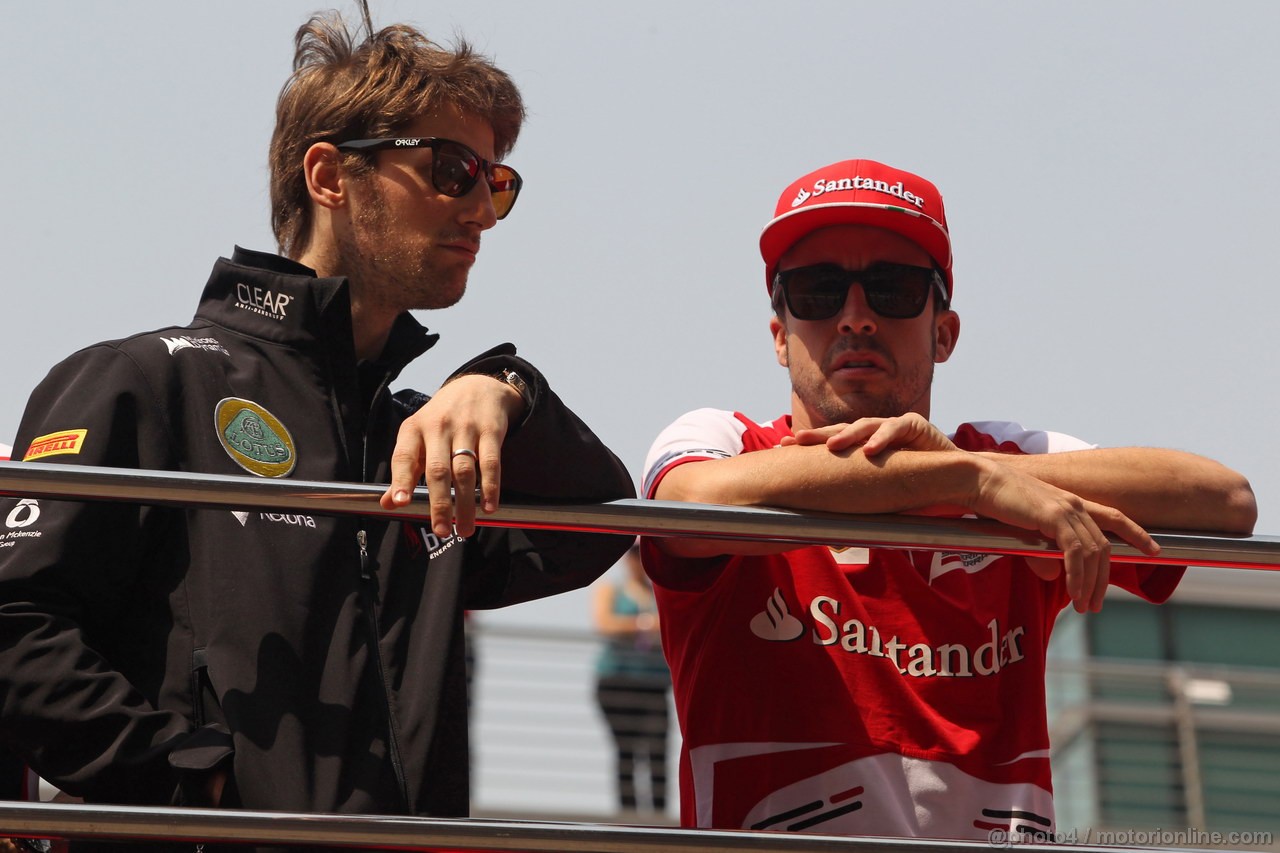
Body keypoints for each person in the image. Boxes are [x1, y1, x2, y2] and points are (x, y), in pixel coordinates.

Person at [0, 3, 634, 843]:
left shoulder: (426, 443)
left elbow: (598, 524)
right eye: (452, 169)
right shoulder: (145, 380)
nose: (481, 209)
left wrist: (507, 384)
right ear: (331, 176)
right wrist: (193, 785)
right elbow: (14, 625)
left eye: (496, 180)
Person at [639, 158, 1256, 839]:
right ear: (780, 337)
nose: (856, 317)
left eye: (892, 288)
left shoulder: (1000, 459)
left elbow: (1224, 499)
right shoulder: (724, 438)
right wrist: (966, 484)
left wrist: (967, 469)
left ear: (945, 332)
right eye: (816, 291)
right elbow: (686, 502)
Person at [591, 543, 670, 816]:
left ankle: (659, 820)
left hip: (655, 683)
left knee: (657, 751)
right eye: (633, 555)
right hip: (618, 680)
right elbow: (604, 622)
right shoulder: (612, 589)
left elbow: (673, 627)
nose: (638, 561)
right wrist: (646, 624)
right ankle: (629, 815)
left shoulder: (659, 592)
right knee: (626, 750)